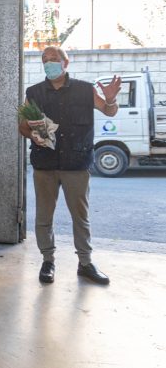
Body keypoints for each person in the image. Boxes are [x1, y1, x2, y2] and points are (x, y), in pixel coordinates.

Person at [20, 46, 120, 285]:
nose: (49, 63)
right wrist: (32, 135)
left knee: (80, 216)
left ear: (66, 63)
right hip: (45, 163)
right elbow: (22, 126)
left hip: (77, 163)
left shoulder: (85, 90)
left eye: (54, 59)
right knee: (44, 216)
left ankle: (85, 263)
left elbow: (109, 112)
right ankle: (48, 261)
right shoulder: (33, 92)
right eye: (45, 60)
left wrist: (110, 98)